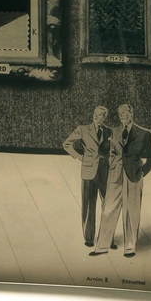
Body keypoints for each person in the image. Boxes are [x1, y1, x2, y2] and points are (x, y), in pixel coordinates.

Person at [92, 103, 151, 258]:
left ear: (131, 114)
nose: (122, 116)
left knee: (132, 211)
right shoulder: (113, 132)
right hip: (115, 175)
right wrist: (106, 142)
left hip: (134, 176)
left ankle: (130, 247)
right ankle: (101, 246)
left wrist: (142, 173)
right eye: (120, 114)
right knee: (108, 209)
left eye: (125, 113)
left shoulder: (144, 133)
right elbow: (102, 152)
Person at [62, 106, 112, 248]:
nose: (97, 116)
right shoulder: (83, 129)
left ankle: (107, 238)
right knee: (89, 205)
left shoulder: (110, 131)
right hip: (89, 171)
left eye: (101, 114)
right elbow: (66, 144)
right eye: (96, 113)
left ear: (105, 117)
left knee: (108, 205)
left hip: (106, 170)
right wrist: (79, 156)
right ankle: (89, 238)